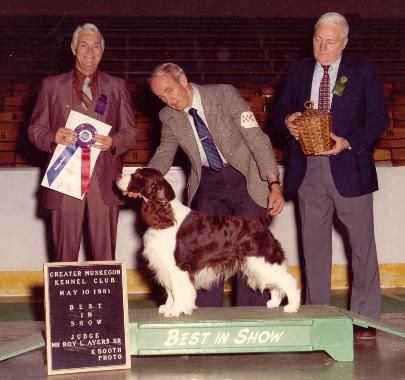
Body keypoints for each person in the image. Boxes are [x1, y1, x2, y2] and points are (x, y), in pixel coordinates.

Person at [127, 62, 284, 307]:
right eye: (160, 96)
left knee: (249, 251)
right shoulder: (167, 116)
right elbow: (164, 152)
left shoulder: (224, 95)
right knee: (205, 252)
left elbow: (257, 138)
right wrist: (144, 180)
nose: (167, 100)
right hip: (208, 181)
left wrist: (273, 183)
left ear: (183, 79)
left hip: (246, 177)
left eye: (170, 90)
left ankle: (251, 320)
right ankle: (209, 318)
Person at [271, 12, 389, 339]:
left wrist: (348, 142)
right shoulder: (297, 72)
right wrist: (289, 121)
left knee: (362, 248)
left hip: (349, 168)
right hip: (307, 170)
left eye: (330, 42)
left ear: (345, 43)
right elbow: (279, 113)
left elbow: (379, 119)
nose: (322, 47)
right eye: (317, 39)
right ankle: (318, 314)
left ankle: (366, 318)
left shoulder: (362, 72)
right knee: (314, 248)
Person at [28, 23, 136, 262]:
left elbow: (130, 132)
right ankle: (63, 301)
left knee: (105, 255)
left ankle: (106, 300)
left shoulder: (116, 87)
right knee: (64, 254)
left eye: (96, 46)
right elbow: (35, 129)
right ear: (73, 48)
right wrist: (52, 136)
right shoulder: (51, 86)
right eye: (84, 45)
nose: (90, 51)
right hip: (64, 177)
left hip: (104, 181)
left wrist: (113, 141)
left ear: (102, 50)